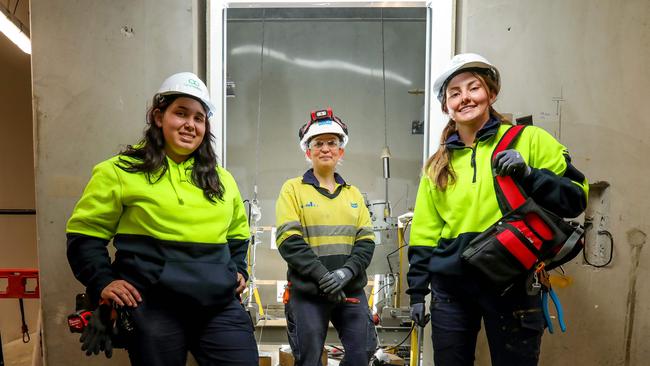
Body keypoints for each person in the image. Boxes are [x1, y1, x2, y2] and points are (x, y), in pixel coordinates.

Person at [406, 53, 588, 365]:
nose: (465, 98)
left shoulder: (528, 140)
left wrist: (531, 174)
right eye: (454, 93)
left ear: (491, 93)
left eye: (473, 88)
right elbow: (425, 231)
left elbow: (575, 198)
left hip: (512, 281)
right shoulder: (437, 165)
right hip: (452, 287)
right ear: (445, 106)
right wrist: (417, 292)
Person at [66, 72, 258, 365]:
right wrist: (102, 281)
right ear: (159, 117)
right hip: (153, 306)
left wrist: (240, 270)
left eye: (198, 118)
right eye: (180, 113)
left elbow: (237, 234)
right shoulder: (119, 171)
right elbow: (85, 235)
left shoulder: (222, 180)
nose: (190, 125)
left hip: (217, 306)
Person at [275, 108, 377, 366]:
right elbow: (289, 241)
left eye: (332, 143)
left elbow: (366, 243)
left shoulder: (353, 194)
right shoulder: (292, 189)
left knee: (362, 352)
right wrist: (323, 277)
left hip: (350, 289)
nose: (325, 148)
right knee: (309, 360)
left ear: (341, 151)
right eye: (317, 143)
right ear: (308, 151)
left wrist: (344, 274)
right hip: (307, 294)